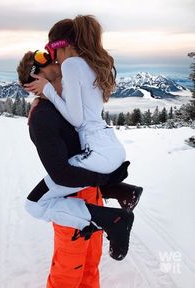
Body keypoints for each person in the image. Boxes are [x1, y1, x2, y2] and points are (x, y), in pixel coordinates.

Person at [19, 49, 139, 261]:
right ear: (37, 77)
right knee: (74, 263)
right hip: (77, 191)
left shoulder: (66, 98)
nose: (54, 59)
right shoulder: (45, 116)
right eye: (46, 59)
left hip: (85, 195)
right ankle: (116, 204)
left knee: (86, 261)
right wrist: (105, 179)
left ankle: (113, 217)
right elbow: (61, 174)